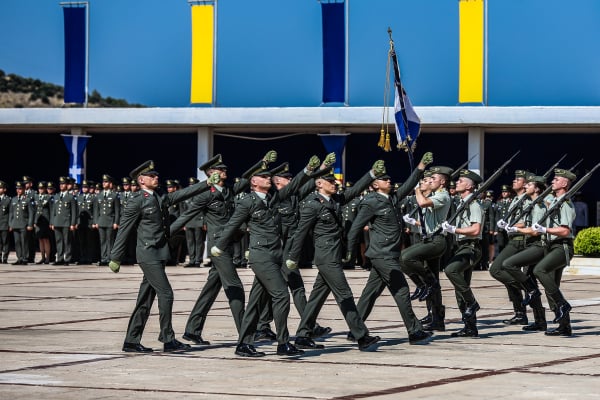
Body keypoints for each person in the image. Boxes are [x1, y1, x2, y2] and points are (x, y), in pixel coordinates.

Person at [211, 153, 321, 357]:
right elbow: (233, 224)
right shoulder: (247, 202)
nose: (268, 179)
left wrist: (308, 170)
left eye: (269, 177)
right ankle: (283, 342)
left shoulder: (273, 199)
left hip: (276, 255)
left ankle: (243, 344)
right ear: (253, 181)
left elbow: (293, 185)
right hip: (261, 256)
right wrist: (219, 246)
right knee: (281, 295)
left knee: (255, 303)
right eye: (264, 177)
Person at [108, 160, 217, 353]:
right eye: (151, 176)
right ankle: (167, 338)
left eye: (156, 175)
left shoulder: (157, 198)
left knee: (145, 299)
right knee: (166, 294)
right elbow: (124, 229)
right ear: (141, 180)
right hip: (148, 254)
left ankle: (131, 340)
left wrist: (206, 184)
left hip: (158, 253)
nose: (156, 178)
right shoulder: (137, 201)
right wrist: (115, 257)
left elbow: (180, 194)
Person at [286, 160, 387, 352]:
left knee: (316, 297)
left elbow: (355, 190)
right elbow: (300, 233)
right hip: (325, 256)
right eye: (330, 181)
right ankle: (361, 336)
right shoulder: (312, 205)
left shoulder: (335, 201)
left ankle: (303, 335)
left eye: (335, 181)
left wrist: (372, 174)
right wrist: (293, 256)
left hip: (333, 254)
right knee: (345, 295)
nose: (335, 184)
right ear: (319, 183)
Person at [170, 153, 267, 346]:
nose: (224, 171)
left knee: (211, 289)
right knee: (235, 287)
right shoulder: (206, 195)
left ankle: (192, 330)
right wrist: (165, 234)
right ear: (211, 173)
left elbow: (248, 178)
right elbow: (186, 216)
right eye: (220, 170)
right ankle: (246, 334)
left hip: (228, 244)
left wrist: (262, 163)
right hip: (217, 247)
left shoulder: (229, 190)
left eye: (224, 169)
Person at [344, 152, 434, 344]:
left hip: (388, 255)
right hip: (382, 255)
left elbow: (409, 185)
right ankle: (414, 330)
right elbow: (355, 228)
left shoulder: (391, 198)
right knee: (401, 291)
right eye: (384, 179)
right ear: (375, 184)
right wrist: (349, 252)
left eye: (389, 178)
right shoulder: (370, 202)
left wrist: (420, 168)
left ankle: (355, 330)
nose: (389, 180)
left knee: (370, 293)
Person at [401, 165, 453, 332]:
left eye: (433, 179)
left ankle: (424, 284)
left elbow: (423, 203)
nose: (430, 181)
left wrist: (417, 188)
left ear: (443, 182)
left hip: (436, 242)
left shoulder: (443, 196)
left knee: (404, 257)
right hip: (429, 239)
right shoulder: (434, 195)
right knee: (435, 283)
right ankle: (436, 317)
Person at [529, 169, 577, 336]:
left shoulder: (566, 203)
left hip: (562, 246)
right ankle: (564, 325)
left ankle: (563, 304)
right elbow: (542, 199)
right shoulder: (554, 200)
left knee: (539, 270)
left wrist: (545, 229)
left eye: (556, 180)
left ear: (564, 184)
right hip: (551, 246)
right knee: (552, 287)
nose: (552, 182)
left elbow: (565, 231)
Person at [499, 174, 548, 332]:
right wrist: (511, 225)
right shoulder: (525, 201)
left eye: (527, 183)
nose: (522, 184)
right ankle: (539, 320)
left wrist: (515, 227)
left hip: (531, 243)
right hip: (527, 242)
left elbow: (533, 229)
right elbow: (526, 222)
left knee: (524, 278)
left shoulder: (536, 204)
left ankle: (538, 316)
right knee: (530, 282)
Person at [440, 169, 484, 337]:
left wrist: (454, 229)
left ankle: (472, 303)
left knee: (451, 270)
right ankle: (470, 327)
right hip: (461, 246)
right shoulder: (461, 202)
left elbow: (475, 229)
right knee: (460, 290)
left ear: (469, 186)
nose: (456, 183)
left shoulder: (473, 204)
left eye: (461, 181)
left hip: (471, 247)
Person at [489, 170, 531, 326]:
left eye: (518, 179)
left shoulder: (527, 200)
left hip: (520, 240)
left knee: (496, 269)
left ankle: (529, 288)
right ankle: (520, 312)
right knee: (508, 277)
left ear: (526, 183)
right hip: (511, 239)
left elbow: (528, 221)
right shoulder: (516, 199)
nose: (514, 181)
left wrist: (511, 225)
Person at [50, 176, 78, 265]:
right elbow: (53, 211)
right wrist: (52, 222)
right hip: (57, 221)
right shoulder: (56, 196)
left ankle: (67, 259)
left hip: (66, 222)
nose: (61, 186)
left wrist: (73, 223)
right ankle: (60, 258)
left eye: (63, 184)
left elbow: (74, 212)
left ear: (67, 185)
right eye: (60, 184)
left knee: (67, 241)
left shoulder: (70, 197)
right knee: (59, 241)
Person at [94, 175, 120, 266]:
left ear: (110, 184)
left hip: (110, 221)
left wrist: (116, 222)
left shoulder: (114, 195)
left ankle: (109, 258)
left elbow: (117, 210)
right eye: (103, 182)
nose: (104, 183)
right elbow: (96, 210)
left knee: (110, 241)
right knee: (102, 241)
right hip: (101, 221)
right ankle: (103, 258)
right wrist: (96, 221)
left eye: (106, 182)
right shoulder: (99, 195)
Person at [9, 181, 34, 265]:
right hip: (15, 224)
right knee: (17, 242)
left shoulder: (27, 200)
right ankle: (19, 258)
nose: (18, 190)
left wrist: (30, 224)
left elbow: (31, 213)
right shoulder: (14, 199)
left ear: (23, 189)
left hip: (24, 224)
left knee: (24, 241)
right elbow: (11, 213)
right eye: (17, 189)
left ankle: (25, 258)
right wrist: (10, 224)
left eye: (20, 189)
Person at [33, 181, 52, 264]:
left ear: (45, 189)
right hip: (38, 220)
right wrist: (34, 221)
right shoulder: (36, 197)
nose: (40, 190)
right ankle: (42, 257)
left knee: (46, 240)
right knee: (40, 239)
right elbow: (34, 209)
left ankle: (48, 258)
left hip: (46, 220)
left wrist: (51, 222)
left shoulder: (48, 197)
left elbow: (51, 210)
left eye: (42, 188)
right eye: (39, 188)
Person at [0, 181, 10, 263]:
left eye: (0, 188)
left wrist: (10, 224)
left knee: (5, 241)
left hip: (4, 223)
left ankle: (5, 257)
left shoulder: (8, 199)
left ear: (4, 189)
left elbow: (10, 213)